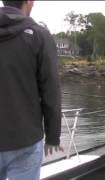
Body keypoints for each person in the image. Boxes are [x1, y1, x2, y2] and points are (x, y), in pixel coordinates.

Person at [0, 1, 63, 180]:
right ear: (28, 1)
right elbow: (51, 92)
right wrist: (53, 137)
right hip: (25, 140)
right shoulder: (40, 35)